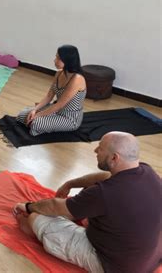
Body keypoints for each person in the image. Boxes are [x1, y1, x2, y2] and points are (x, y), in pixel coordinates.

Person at [13, 132, 161, 272]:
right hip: (150, 259)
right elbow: (105, 176)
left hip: (115, 266)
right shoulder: (146, 171)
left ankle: (42, 234)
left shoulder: (104, 193)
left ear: (114, 158)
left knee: (33, 219)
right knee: (93, 200)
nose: (95, 150)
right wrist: (70, 184)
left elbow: (55, 206)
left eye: (100, 148)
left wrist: (28, 206)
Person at [16, 45, 86, 136]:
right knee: (22, 115)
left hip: (69, 118)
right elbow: (49, 96)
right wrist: (35, 110)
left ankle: (40, 121)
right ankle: (40, 117)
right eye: (56, 57)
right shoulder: (59, 73)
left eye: (58, 58)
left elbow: (59, 105)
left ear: (68, 60)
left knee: (36, 123)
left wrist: (38, 115)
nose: (54, 60)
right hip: (55, 110)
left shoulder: (77, 79)